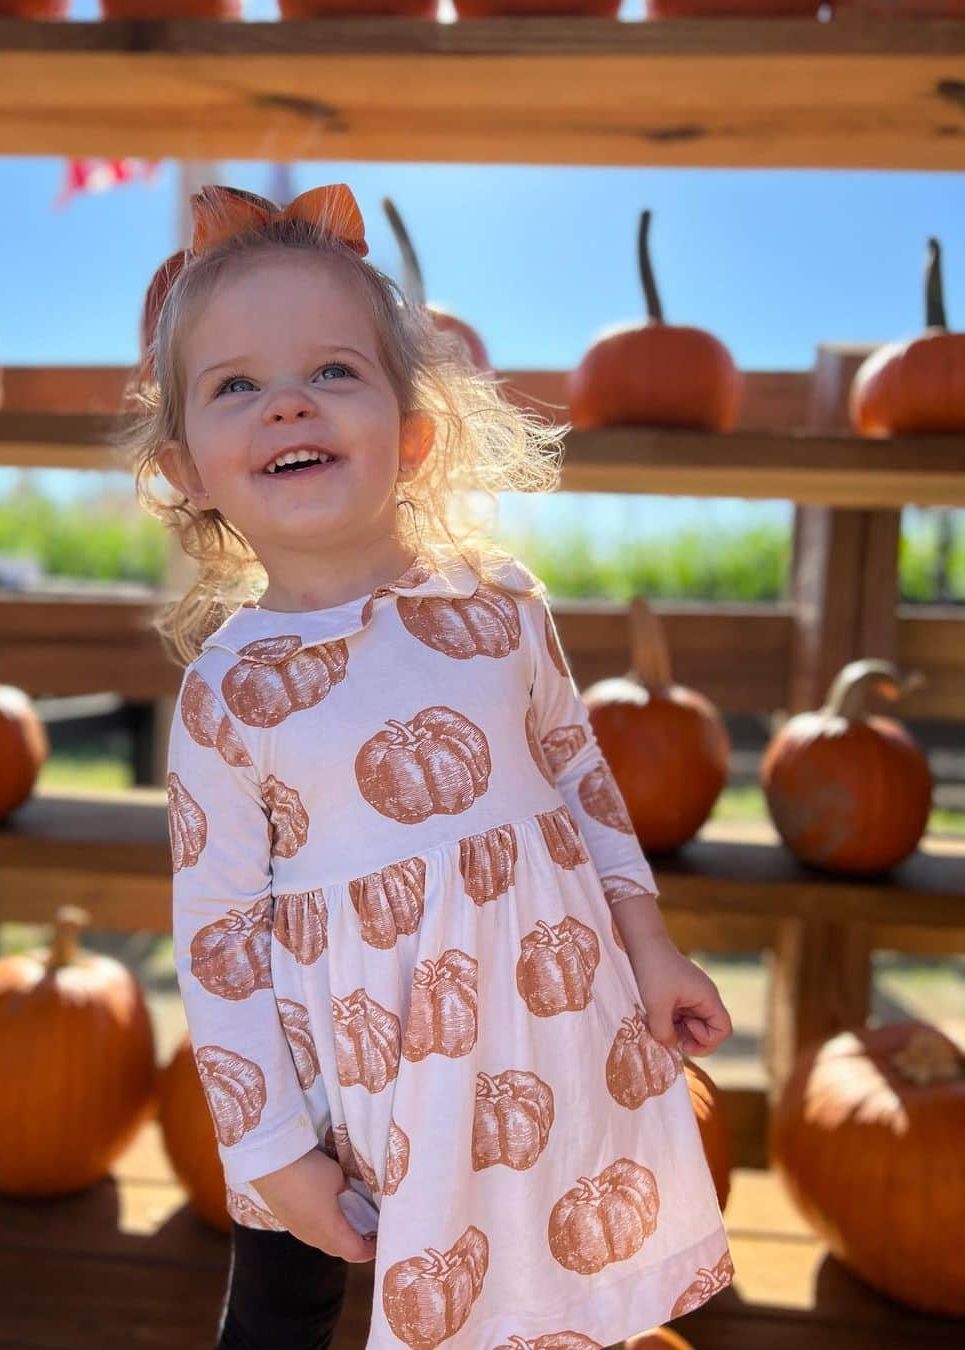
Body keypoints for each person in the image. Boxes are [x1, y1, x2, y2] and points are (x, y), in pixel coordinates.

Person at [127, 181, 735, 1350]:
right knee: (284, 1309)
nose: (288, 404)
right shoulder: (228, 692)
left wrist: (648, 943)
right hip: (334, 1062)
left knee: (543, 1273)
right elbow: (217, 938)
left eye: (333, 372)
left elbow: (579, 782)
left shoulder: (501, 607)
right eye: (236, 385)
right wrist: (269, 1151)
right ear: (187, 468)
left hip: (539, 1017)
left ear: (413, 433)